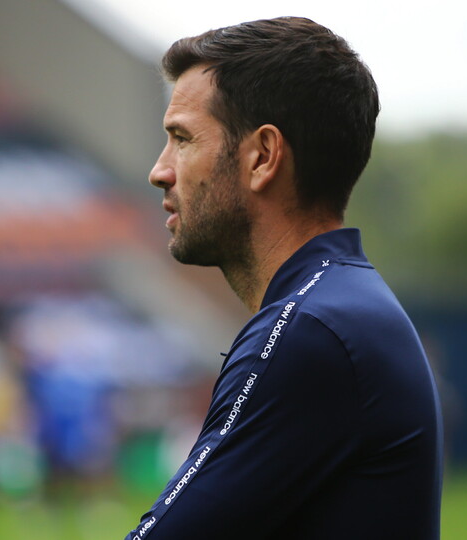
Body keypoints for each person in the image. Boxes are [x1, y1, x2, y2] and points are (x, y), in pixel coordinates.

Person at [124, 17, 443, 539]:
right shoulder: (340, 306)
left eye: (181, 138)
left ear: (263, 157)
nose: (160, 170)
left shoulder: (311, 331)